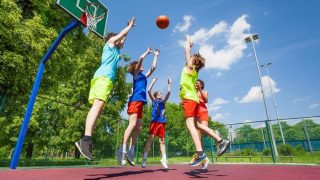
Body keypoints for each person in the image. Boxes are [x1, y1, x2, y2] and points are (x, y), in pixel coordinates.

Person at [75, 17, 136, 161]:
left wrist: (127, 31)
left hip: (105, 80)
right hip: (103, 78)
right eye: (120, 39)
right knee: (97, 106)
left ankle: (86, 140)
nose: (123, 41)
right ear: (113, 39)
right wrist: (129, 27)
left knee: (99, 108)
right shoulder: (109, 44)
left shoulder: (115, 50)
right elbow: (120, 36)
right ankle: (86, 139)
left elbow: (122, 38)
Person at [180, 34, 230, 167]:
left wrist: (188, 43)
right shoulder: (193, 72)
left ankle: (200, 153)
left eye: (191, 58)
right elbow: (188, 55)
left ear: (193, 62)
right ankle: (220, 140)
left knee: (190, 125)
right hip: (194, 100)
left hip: (189, 99)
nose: (189, 58)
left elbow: (186, 52)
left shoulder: (190, 69)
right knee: (197, 125)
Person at [117, 48, 160, 166]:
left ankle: (131, 150)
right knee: (132, 124)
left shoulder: (144, 76)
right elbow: (140, 59)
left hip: (141, 103)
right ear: (136, 67)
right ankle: (122, 149)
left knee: (138, 128)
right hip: (134, 101)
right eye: (139, 65)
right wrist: (147, 52)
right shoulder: (136, 74)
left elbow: (153, 68)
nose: (142, 66)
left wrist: (156, 55)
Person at [141, 77, 171, 169]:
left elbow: (169, 93)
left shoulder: (163, 102)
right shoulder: (154, 101)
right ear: (155, 96)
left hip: (162, 122)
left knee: (162, 141)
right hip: (154, 121)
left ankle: (164, 159)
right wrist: (153, 81)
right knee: (151, 139)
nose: (160, 95)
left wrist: (169, 83)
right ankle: (144, 158)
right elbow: (149, 90)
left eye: (161, 94)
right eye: (158, 94)